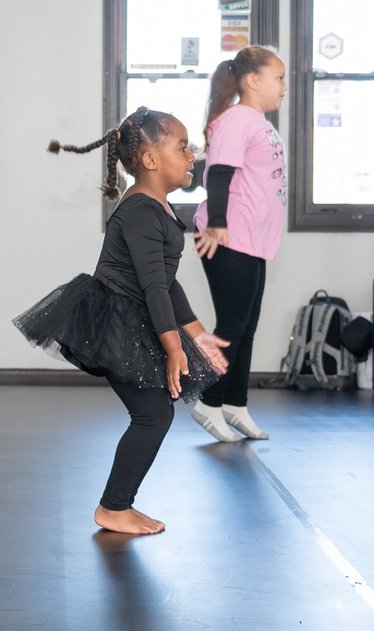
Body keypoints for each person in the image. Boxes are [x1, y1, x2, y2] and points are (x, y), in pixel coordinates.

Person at [17, 110, 229, 536]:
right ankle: (114, 507)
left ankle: (116, 505)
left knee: (154, 414)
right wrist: (173, 347)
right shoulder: (140, 212)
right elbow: (152, 288)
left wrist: (196, 333)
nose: (192, 156)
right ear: (150, 160)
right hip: (116, 321)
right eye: (182, 147)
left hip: (133, 315)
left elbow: (166, 284)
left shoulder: (160, 209)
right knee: (152, 415)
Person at [192, 46, 288, 444]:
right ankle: (209, 403)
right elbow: (218, 173)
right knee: (232, 325)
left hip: (254, 240)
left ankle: (235, 404)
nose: (284, 87)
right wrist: (216, 222)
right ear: (253, 80)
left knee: (246, 328)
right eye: (278, 78)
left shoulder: (259, 122)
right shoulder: (236, 120)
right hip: (229, 236)